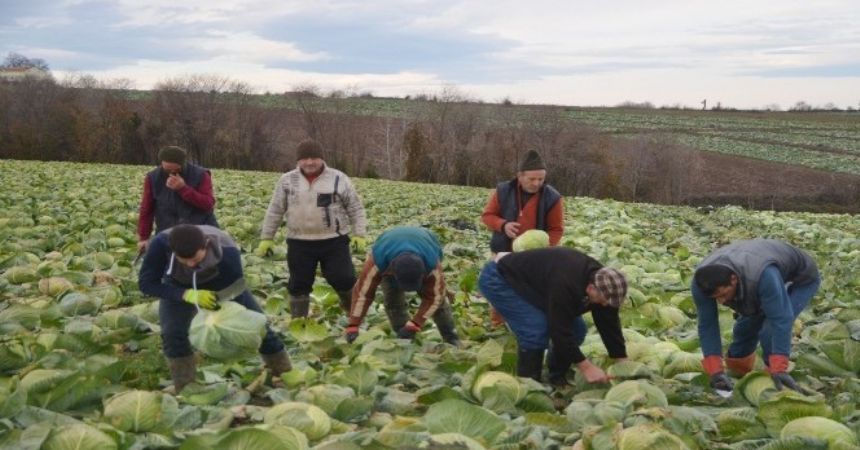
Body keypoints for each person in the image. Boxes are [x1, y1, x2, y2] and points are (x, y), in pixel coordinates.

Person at [138, 224, 290, 393]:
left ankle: (283, 373)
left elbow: (235, 286)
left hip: (223, 284)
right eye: (184, 260)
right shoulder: (160, 245)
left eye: (195, 260)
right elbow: (146, 284)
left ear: (206, 245)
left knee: (259, 325)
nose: (190, 264)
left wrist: (220, 313)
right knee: (172, 333)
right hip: (178, 285)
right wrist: (186, 295)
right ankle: (186, 387)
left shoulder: (227, 251)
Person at [478, 247, 628, 386]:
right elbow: (559, 330)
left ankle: (556, 378)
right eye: (601, 300)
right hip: (500, 279)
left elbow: (609, 323)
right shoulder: (567, 283)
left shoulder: (604, 285)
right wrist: (586, 367)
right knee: (536, 329)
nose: (603, 305)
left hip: (536, 287)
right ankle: (529, 386)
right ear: (590, 288)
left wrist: (621, 360)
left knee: (578, 331)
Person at [256, 139, 368, 317]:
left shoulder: (338, 178)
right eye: (304, 158)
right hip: (299, 242)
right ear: (298, 161)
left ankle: (353, 315)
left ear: (322, 159)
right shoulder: (287, 180)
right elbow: (275, 210)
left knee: (344, 279)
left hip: (334, 240)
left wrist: (359, 233)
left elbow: (355, 207)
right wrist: (266, 238)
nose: (309, 162)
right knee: (299, 284)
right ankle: (298, 322)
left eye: (314, 158)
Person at [693, 239, 820, 393]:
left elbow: (780, 320)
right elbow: (707, 325)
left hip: (800, 278)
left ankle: (776, 382)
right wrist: (715, 371)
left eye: (723, 294)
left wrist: (779, 367)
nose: (722, 301)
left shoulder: (763, 275)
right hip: (753, 275)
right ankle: (738, 377)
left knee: (769, 331)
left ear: (733, 280)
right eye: (716, 298)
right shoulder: (701, 284)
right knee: (743, 329)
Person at [480, 150, 564, 326]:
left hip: (535, 256)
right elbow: (487, 216)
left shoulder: (552, 197)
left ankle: (529, 324)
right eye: (532, 179)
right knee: (500, 288)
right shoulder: (503, 191)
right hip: (503, 250)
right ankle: (498, 324)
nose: (537, 183)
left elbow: (556, 229)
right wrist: (503, 225)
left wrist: (545, 247)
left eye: (540, 179)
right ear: (520, 176)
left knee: (531, 291)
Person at [345, 226, 461, 346]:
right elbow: (363, 294)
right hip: (389, 248)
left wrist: (416, 323)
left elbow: (434, 298)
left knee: (438, 301)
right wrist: (353, 325)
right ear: (391, 272)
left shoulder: (432, 266)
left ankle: (451, 337)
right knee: (393, 301)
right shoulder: (377, 262)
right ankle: (403, 337)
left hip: (425, 243)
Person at [137, 146, 218, 253]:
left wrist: (183, 189)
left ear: (183, 163)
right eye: (167, 170)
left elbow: (208, 203)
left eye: (176, 170)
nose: (172, 173)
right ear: (162, 163)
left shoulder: (201, 175)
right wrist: (144, 237)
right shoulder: (152, 178)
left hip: (200, 232)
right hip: (168, 232)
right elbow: (147, 209)